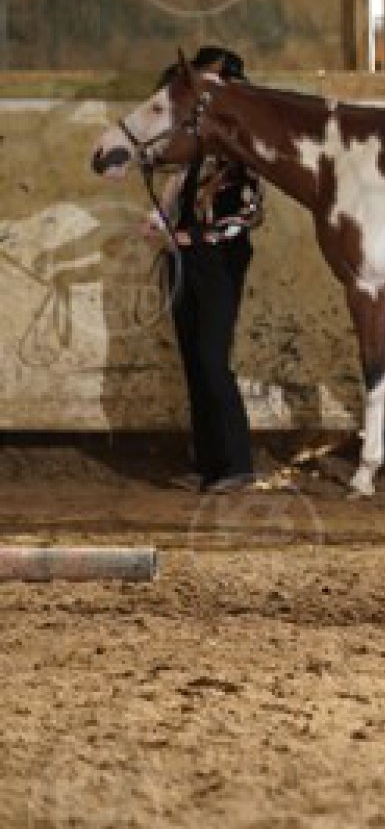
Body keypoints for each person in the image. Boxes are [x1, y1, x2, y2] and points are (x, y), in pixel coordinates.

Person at [148, 47, 264, 494]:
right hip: (184, 258)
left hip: (217, 260)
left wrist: (193, 238)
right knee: (195, 360)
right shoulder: (196, 145)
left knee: (212, 358)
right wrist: (167, 228)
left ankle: (236, 464)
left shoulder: (244, 147)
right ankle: (208, 464)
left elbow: (249, 214)